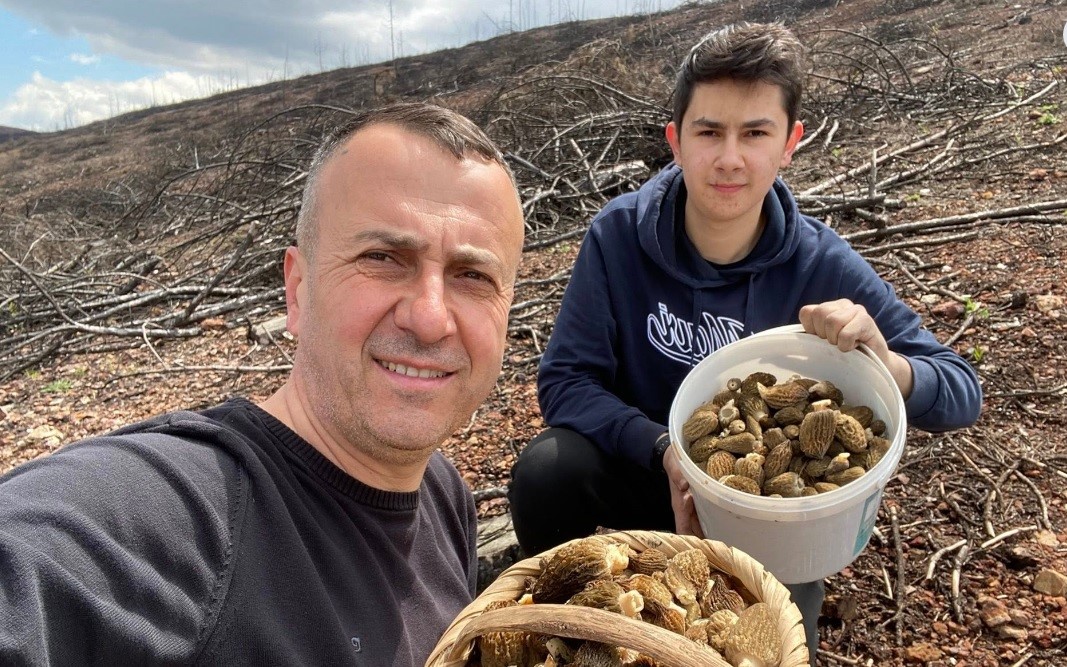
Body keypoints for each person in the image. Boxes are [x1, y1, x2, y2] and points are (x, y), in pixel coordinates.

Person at [508, 22, 982, 663]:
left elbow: (959, 390)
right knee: (548, 470)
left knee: (777, 646)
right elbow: (565, 380)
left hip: (767, 507)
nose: (729, 157)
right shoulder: (617, 237)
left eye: (755, 133)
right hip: (648, 468)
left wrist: (889, 362)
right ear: (676, 141)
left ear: (790, 143)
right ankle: (556, 626)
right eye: (709, 131)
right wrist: (664, 450)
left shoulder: (821, 264)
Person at [0, 102, 526, 666]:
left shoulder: (443, 495)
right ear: (297, 290)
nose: (429, 317)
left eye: (472, 276)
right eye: (383, 258)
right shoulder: (182, 513)